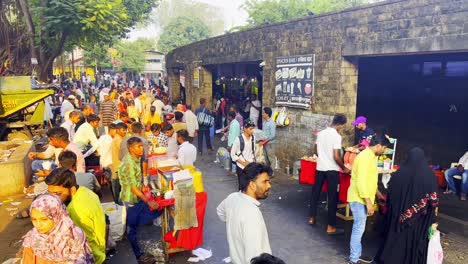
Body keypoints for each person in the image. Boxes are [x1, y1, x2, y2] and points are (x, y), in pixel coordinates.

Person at [376, 148, 438, 264]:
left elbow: (391, 194)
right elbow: (433, 200)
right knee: (414, 242)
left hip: (398, 217)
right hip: (419, 219)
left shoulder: (399, 173)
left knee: (397, 240)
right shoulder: (429, 175)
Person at [45, 168, 106, 264]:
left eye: (58, 193)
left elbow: (86, 242)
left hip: (94, 257)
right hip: (100, 248)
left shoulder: (74, 210)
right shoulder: (84, 191)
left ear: (72, 189)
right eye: (50, 193)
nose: (53, 198)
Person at [347, 134, 390, 264]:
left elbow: (370, 180)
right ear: (378, 146)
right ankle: (353, 259)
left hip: (364, 198)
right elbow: (361, 183)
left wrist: (378, 194)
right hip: (359, 198)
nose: (384, 151)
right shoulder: (365, 158)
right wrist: (369, 203)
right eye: (384, 148)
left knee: (360, 227)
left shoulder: (371, 157)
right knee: (358, 228)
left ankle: (357, 254)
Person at [217, 163, 273, 264]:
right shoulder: (252, 214)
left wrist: (234, 223)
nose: (269, 185)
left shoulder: (233, 197)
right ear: (252, 185)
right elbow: (254, 257)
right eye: (265, 181)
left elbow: (220, 212)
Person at [119, 137, 161, 264]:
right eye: (138, 146)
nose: (142, 148)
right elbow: (133, 188)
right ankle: (138, 255)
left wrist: (143, 184)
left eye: (142, 146)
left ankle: (137, 249)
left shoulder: (135, 158)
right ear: (131, 148)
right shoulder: (129, 163)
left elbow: (137, 181)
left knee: (136, 224)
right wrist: (148, 201)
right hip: (130, 198)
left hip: (136, 196)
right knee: (131, 228)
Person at [21, 194, 94, 263]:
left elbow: (80, 259)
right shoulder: (32, 239)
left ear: (57, 216)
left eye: (44, 219)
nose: (38, 225)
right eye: (34, 219)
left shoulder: (74, 236)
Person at [308, 113, 350, 235]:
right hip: (332, 170)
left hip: (320, 168)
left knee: (315, 193)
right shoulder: (336, 136)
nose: (341, 128)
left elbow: (315, 150)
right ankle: (330, 226)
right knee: (332, 197)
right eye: (342, 126)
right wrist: (344, 168)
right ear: (340, 124)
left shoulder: (321, 133)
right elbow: (336, 156)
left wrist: (322, 157)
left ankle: (311, 217)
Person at [231, 119, 257, 190]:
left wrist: (254, 160)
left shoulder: (253, 138)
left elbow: (253, 150)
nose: (252, 130)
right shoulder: (238, 139)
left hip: (251, 165)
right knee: (242, 187)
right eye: (250, 129)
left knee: (250, 187)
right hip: (241, 167)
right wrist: (244, 163)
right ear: (244, 129)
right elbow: (233, 154)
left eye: (253, 129)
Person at [111, 122, 127, 203]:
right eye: (123, 130)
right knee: (119, 188)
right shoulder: (118, 140)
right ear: (118, 130)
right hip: (119, 167)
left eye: (125, 130)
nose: (125, 132)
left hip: (117, 166)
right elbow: (124, 154)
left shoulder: (118, 139)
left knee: (117, 188)